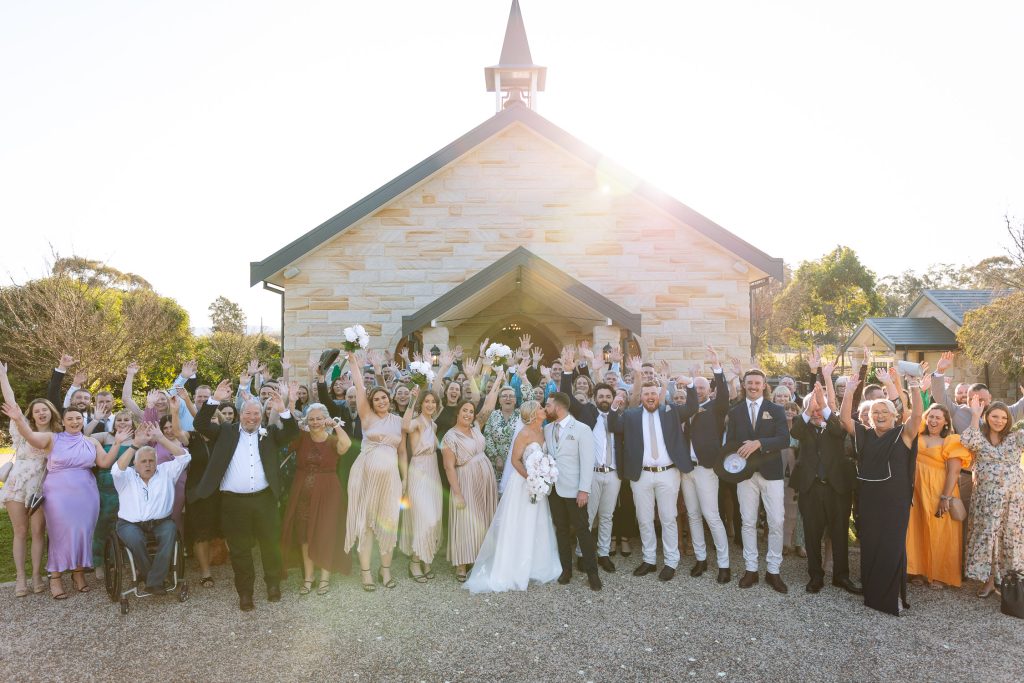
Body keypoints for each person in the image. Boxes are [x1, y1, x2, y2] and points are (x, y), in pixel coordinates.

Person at [190, 379, 297, 611]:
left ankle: (273, 585)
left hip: (264, 500)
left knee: (270, 544)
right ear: (240, 414)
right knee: (239, 550)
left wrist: (284, 410)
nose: (252, 418)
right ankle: (245, 593)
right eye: (248, 413)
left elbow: (292, 431)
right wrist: (214, 400)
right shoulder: (225, 432)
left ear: (262, 416)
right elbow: (199, 423)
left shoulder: (269, 434)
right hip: (233, 503)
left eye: (256, 414)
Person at [2, 401, 115, 598]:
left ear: (83, 421)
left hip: (87, 493)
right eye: (70, 418)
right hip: (58, 494)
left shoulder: (91, 441)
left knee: (83, 533)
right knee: (59, 534)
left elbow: (105, 462)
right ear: (62, 421)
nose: (74, 421)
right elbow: (29, 435)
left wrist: (120, 442)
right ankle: (55, 577)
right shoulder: (52, 438)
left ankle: (78, 574)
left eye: (78, 418)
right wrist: (19, 418)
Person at [840, 369, 923, 615]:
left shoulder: (903, 434)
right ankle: (872, 591)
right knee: (871, 545)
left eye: (885, 412)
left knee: (891, 546)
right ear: (870, 417)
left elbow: (917, 415)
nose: (879, 415)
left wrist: (915, 385)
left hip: (895, 501)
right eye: (875, 412)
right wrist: (850, 392)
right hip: (869, 499)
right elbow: (845, 419)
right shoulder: (864, 435)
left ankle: (891, 596)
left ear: (895, 416)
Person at [464, 400, 562, 592]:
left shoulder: (544, 431)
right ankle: (514, 568)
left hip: (538, 486)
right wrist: (530, 477)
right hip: (523, 485)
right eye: (541, 408)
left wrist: (543, 477)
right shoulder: (524, 433)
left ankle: (536, 565)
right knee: (520, 522)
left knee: (537, 522)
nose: (544, 410)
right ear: (533, 414)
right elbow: (515, 460)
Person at [608, 376, 699, 582]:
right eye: (646, 394)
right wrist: (614, 407)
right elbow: (614, 426)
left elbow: (692, 407)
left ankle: (671, 562)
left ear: (659, 395)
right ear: (641, 397)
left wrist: (690, 384)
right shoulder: (631, 415)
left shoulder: (671, 411)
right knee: (644, 518)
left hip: (668, 473)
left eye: (654, 394)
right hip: (641, 475)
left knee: (668, 517)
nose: (650, 397)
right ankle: (649, 559)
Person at [344, 349, 408, 592]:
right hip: (365, 476)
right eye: (377, 399)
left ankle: (386, 569)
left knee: (388, 523)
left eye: (384, 398)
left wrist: (405, 478)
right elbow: (360, 389)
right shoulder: (367, 417)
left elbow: (402, 452)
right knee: (366, 525)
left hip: (390, 478)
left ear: (390, 400)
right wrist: (354, 364)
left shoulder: (398, 422)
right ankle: (366, 573)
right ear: (372, 403)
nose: (382, 401)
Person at [790, 384, 861, 595]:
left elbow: (839, 430)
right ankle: (815, 576)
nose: (816, 412)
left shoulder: (834, 424)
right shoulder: (801, 426)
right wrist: (808, 409)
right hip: (810, 488)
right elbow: (794, 431)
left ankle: (841, 576)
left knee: (839, 533)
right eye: (812, 408)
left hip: (836, 488)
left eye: (819, 408)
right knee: (812, 535)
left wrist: (823, 405)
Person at [0, 363, 60, 597]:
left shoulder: (57, 435)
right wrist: (3, 377)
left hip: (41, 487)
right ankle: (20, 579)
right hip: (17, 484)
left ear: (51, 412)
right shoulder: (21, 428)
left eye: (45, 410)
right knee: (20, 531)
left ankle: (36, 575)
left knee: (38, 532)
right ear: (31, 415)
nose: (41, 413)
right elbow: (12, 402)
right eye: (37, 411)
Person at [280, 403, 352, 596]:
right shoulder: (301, 438)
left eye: (319, 418)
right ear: (306, 421)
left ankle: (325, 578)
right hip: (302, 493)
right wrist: (289, 402)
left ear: (325, 419)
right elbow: (285, 440)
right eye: (311, 419)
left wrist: (335, 425)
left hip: (328, 492)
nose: (315, 422)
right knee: (304, 536)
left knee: (325, 533)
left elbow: (346, 445)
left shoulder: (332, 440)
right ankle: (309, 576)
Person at [110, 424, 190, 594]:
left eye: (151, 461)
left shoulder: (166, 471)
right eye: (143, 461)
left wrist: (160, 438)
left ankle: (152, 580)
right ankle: (154, 580)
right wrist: (135, 445)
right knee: (136, 540)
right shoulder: (126, 476)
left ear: (156, 462)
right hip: (129, 524)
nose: (148, 465)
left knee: (170, 532)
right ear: (135, 463)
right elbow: (116, 470)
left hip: (161, 522)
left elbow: (184, 458)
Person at [441, 370, 504, 582]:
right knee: (465, 520)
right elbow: (449, 468)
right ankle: (461, 564)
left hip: (484, 479)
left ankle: (479, 558)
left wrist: (497, 383)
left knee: (483, 519)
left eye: (470, 411)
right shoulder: (450, 437)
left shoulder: (477, 427)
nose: (468, 414)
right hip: (465, 479)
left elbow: (488, 406)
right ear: (457, 414)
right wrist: (456, 493)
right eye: (464, 411)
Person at [960, 399, 1024, 599]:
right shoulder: (979, 437)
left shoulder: (1016, 437)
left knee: (1009, 538)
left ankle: (1010, 582)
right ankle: (988, 581)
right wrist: (975, 415)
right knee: (988, 536)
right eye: (995, 416)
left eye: (1004, 417)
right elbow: (967, 440)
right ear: (987, 417)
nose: (999, 421)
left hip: (1012, 500)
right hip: (985, 499)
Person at [906, 403, 971, 589]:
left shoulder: (951, 441)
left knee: (940, 530)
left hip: (940, 489)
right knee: (917, 527)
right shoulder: (917, 436)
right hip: (917, 488)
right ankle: (919, 570)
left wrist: (945, 497)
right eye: (931, 416)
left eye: (938, 418)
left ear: (945, 422)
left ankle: (940, 574)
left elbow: (953, 472)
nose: (933, 420)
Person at [680, 348, 732, 583]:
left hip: (706, 469)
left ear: (709, 390)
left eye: (702, 387)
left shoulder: (717, 408)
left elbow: (724, 397)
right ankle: (701, 559)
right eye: (695, 387)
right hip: (687, 469)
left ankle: (724, 564)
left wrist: (717, 368)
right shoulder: (686, 409)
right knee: (692, 515)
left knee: (712, 515)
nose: (698, 391)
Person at [543, 392, 602, 591]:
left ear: (558, 407)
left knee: (582, 531)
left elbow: (587, 462)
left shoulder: (582, 429)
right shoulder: (548, 428)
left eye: (548, 405)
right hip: (554, 490)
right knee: (560, 530)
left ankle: (593, 573)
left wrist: (584, 490)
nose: (546, 409)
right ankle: (566, 570)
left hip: (575, 490)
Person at [400, 387, 443, 582]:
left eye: (433, 402)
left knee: (434, 517)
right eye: (427, 401)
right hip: (418, 469)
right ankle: (415, 562)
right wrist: (411, 400)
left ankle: (426, 556)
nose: (430, 405)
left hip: (432, 469)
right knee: (423, 516)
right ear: (421, 403)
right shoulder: (417, 422)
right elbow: (404, 426)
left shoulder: (433, 425)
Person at [92, 409, 138, 573]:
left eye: (126, 419)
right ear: (114, 422)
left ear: (132, 422)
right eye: (119, 420)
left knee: (126, 523)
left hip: (128, 485)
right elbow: (83, 435)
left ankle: (124, 559)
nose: (123, 422)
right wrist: (96, 419)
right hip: (107, 485)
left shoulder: (136, 439)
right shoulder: (106, 436)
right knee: (103, 522)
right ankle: (99, 562)